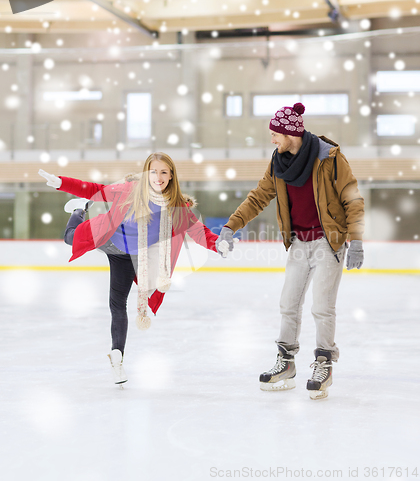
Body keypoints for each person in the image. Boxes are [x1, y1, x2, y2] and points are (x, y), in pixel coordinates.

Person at [215, 103, 364, 400]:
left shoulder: (329, 158)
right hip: (298, 242)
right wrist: (232, 226)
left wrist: (356, 239)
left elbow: (352, 198)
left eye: (274, 134)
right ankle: (286, 362)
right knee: (288, 304)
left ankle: (324, 363)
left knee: (322, 306)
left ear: (290, 133)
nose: (272, 140)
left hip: (327, 241)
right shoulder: (278, 164)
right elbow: (258, 197)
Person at [39, 152, 220, 387]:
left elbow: (201, 233)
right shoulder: (129, 191)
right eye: (154, 171)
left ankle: (117, 355)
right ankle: (78, 211)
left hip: (128, 256)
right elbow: (94, 189)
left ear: (172, 176)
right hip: (109, 237)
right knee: (70, 238)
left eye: (164, 172)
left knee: (117, 303)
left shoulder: (177, 210)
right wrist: (62, 182)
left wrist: (220, 244)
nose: (159, 176)